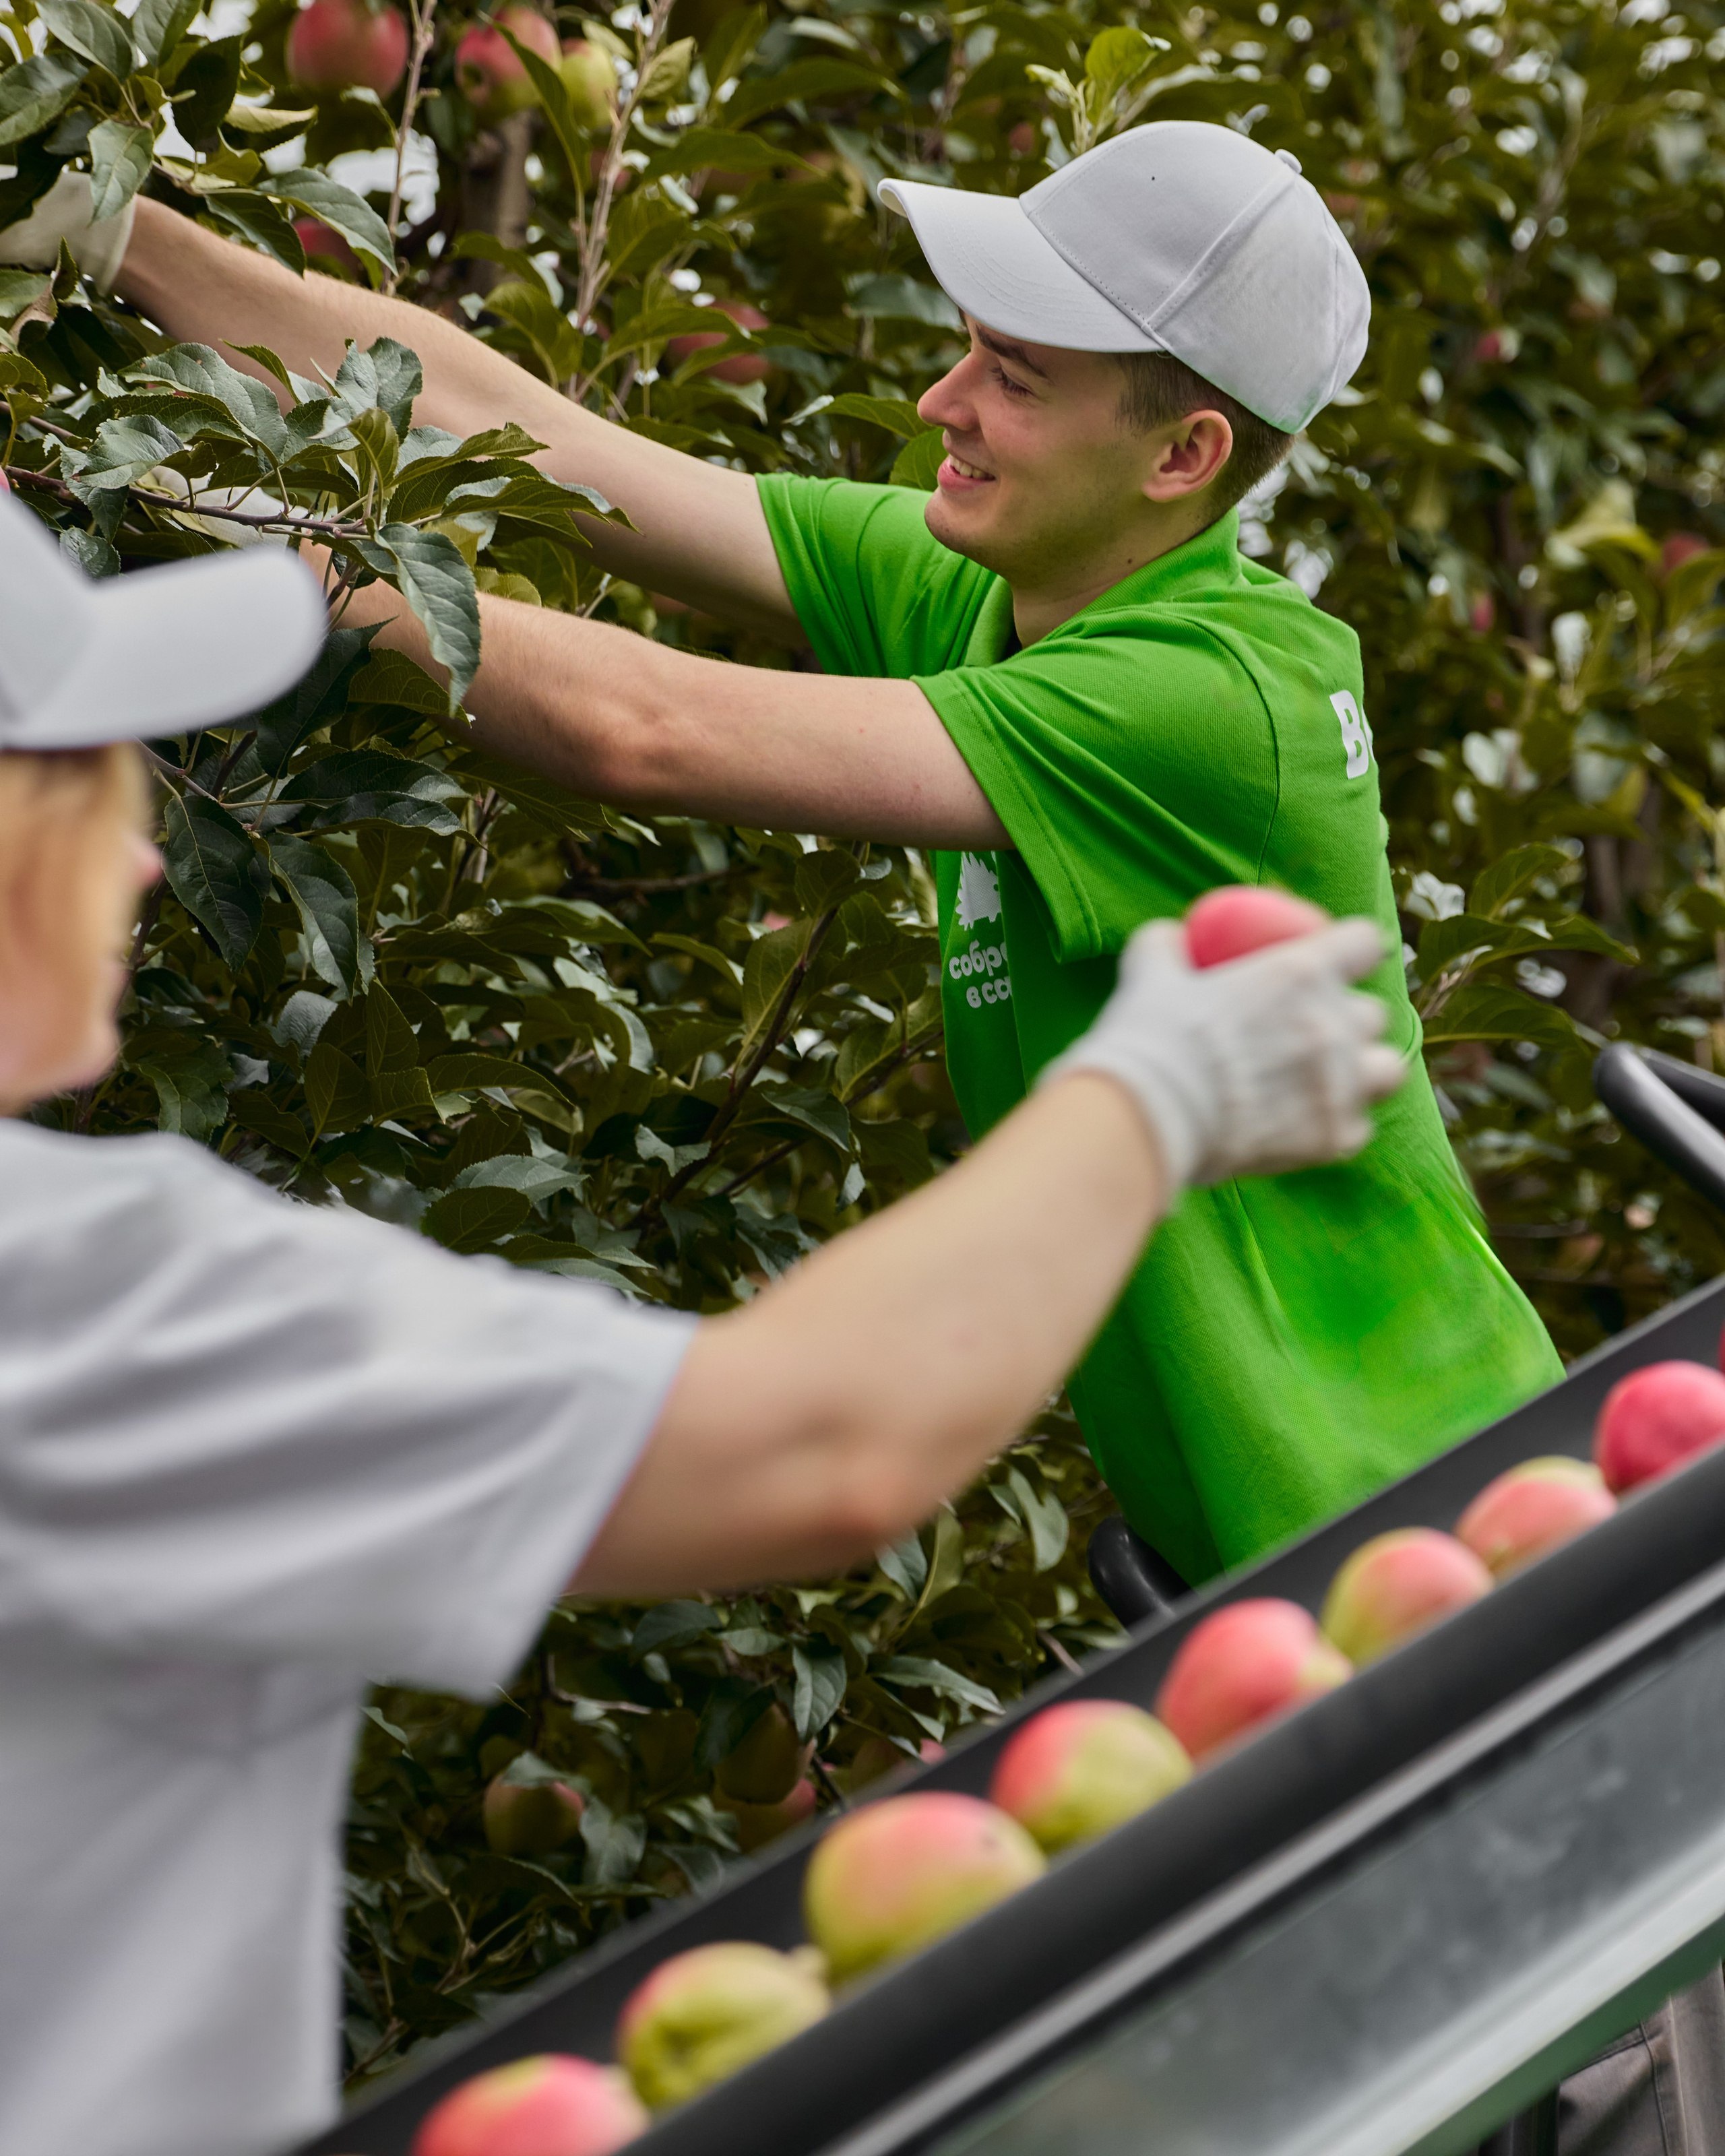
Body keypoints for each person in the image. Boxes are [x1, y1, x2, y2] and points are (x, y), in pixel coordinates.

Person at [0, 492, 1400, 2154]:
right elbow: (807, 1442)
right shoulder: (82, 1287)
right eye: (90, 775)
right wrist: (1157, 1095)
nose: (147, 849)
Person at [0, 119, 1565, 1595]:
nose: (943, 402)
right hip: (1276, 1553)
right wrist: (120, 233)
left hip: (1429, 1513)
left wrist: (240, 541)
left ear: (1180, 456)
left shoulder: (1217, 693)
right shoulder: (998, 587)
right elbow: (548, 443)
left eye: (1013, 378)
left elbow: (643, 730)